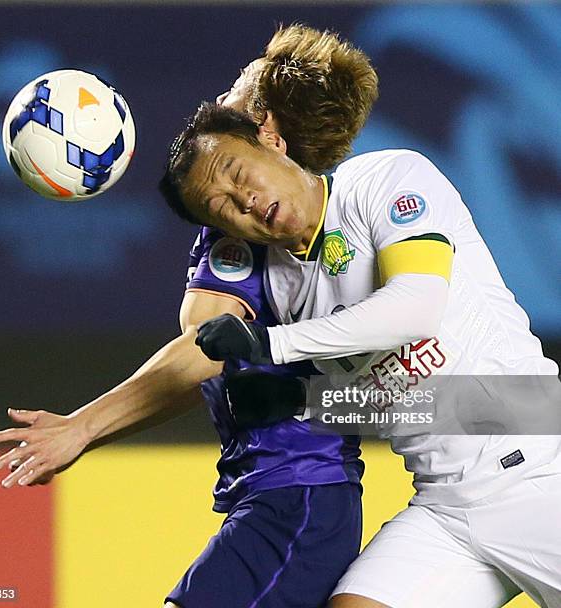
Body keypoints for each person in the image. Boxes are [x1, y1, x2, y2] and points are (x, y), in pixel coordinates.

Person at [0, 25, 377, 607]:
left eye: (240, 88)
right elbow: (205, 361)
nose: (223, 97)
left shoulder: (315, 219)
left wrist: (82, 427)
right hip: (277, 494)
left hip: (300, 496)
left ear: (268, 129)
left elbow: (201, 351)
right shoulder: (243, 225)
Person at [158, 100, 561, 608]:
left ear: (272, 142)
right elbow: (393, 397)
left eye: (239, 173)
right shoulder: (285, 288)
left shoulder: (384, 177)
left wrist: (271, 344)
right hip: (446, 509)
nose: (245, 199)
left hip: (540, 467)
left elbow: (415, 307)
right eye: (223, 209)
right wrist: (303, 401)